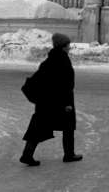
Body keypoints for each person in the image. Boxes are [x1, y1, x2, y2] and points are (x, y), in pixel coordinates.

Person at [20, 32, 83, 166]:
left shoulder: (49, 61)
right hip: (61, 102)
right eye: (68, 45)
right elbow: (65, 85)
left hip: (46, 102)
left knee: (37, 127)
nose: (69, 47)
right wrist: (66, 103)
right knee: (68, 127)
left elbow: (38, 80)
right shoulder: (63, 61)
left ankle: (27, 155)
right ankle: (69, 154)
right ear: (63, 46)